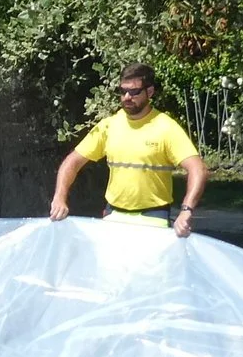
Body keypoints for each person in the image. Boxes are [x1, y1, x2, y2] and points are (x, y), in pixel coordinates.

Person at [49, 64, 207, 235]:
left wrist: (186, 210)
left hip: (153, 218)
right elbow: (73, 161)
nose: (126, 97)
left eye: (134, 92)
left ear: (150, 92)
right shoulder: (109, 126)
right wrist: (59, 197)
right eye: (122, 91)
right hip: (114, 216)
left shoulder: (166, 128)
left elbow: (198, 169)